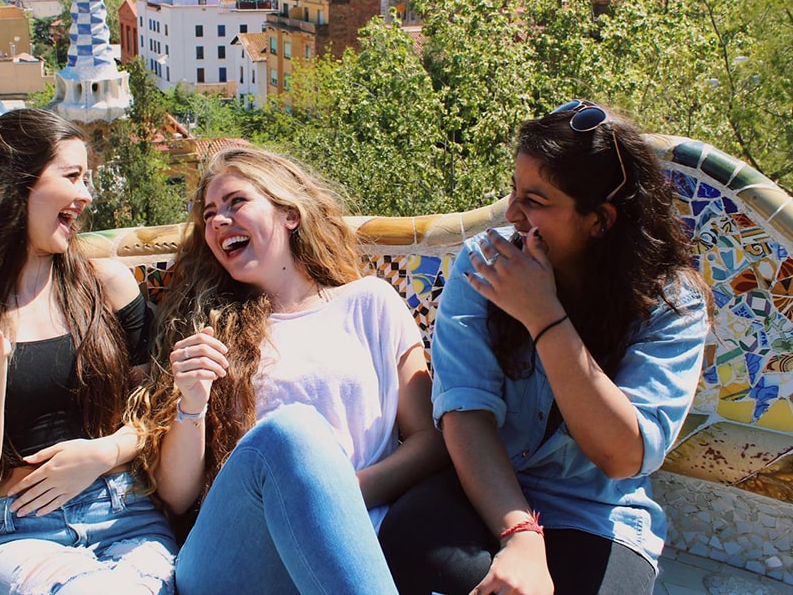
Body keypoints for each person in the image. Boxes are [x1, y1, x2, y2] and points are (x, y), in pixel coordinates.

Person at [378, 100, 711, 595]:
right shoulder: (485, 264)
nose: (512, 214)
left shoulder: (670, 303)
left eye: (534, 201)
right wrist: (521, 534)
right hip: (483, 490)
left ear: (600, 219)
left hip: (596, 513)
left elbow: (622, 456)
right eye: (514, 191)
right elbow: (466, 416)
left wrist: (543, 316)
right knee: (411, 546)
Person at [133, 146, 448, 595]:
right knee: (291, 432)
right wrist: (191, 401)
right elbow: (177, 496)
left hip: (356, 545)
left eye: (236, 202)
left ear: (289, 214)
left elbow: (429, 440)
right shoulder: (209, 330)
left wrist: (327, 500)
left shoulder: (371, 303)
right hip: (235, 555)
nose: (219, 220)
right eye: (209, 214)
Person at [0, 108, 176, 594]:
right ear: (13, 185)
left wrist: (103, 453)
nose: (87, 194)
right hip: (17, 536)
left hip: (128, 518)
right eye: (72, 176)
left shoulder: (107, 287)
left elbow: (162, 410)